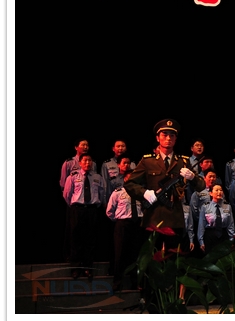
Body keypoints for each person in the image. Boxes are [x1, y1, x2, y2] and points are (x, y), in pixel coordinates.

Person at [124, 119, 205, 249]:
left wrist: (192, 177)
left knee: (173, 256)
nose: (168, 138)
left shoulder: (183, 162)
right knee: (152, 256)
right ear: (158, 138)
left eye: (172, 135)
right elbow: (129, 183)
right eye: (164, 135)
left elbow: (201, 186)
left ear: (176, 139)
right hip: (153, 217)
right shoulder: (148, 161)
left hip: (175, 218)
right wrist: (144, 193)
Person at [63, 153, 105, 279]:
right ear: (80, 163)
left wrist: (95, 205)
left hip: (91, 210)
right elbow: (67, 194)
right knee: (76, 239)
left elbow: (102, 193)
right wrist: (75, 206)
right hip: (78, 210)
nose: (88, 163)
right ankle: (75, 268)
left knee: (90, 239)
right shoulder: (73, 176)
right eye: (85, 161)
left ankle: (88, 267)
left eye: (90, 161)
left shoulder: (97, 177)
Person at [106, 156, 144, 291]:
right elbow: (109, 211)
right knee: (120, 254)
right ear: (125, 180)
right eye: (129, 178)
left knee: (136, 255)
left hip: (137, 225)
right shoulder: (117, 193)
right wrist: (119, 220)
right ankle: (117, 282)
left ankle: (136, 282)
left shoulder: (141, 194)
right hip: (123, 224)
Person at [197, 184, 235, 253]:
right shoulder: (205, 207)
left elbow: (230, 225)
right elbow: (201, 225)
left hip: (223, 234)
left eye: (221, 190)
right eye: (216, 190)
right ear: (211, 193)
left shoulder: (227, 206)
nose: (219, 192)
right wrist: (201, 241)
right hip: (210, 235)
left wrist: (231, 239)